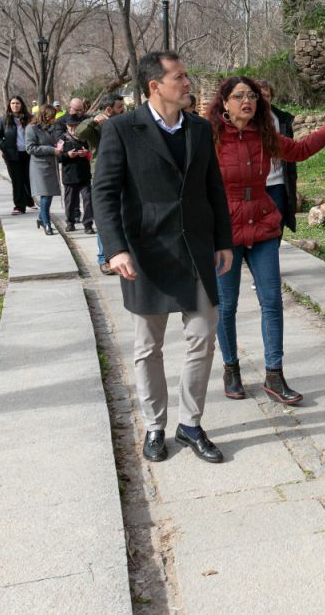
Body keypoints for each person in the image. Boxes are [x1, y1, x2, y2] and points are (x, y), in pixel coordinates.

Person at [93, 51, 233, 464]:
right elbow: (103, 193)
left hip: (195, 249)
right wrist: (115, 248)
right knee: (147, 345)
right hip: (146, 252)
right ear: (155, 86)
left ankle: (191, 424)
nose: (188, 84)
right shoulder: (121, 129)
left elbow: (214, 188)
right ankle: (155, 426)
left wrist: (223, 240)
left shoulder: (199, 129)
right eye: (180, 77)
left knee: (204, 334)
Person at [206, 77, 325, 403]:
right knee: (227, 305)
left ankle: (274, 375)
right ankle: (231, 369)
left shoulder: (265, 136)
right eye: (239, 96)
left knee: (272, 301)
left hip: (262, 225)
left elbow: (300, 151)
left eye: (251, 96)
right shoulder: (209, 138)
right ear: (224, 103)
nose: (247, 101)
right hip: (225, 231)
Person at [76, 93, 126, 274]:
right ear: (108, 109)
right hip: (101, 174)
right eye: (120, 107)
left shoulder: (124, 121)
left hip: (124, 172)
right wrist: (95, 122)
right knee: (107, 215)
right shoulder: (96, 122)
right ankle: (103, 258)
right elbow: (79, 133)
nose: (123, 110)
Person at [256, 79, 300, 231]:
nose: (264, 99)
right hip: (255, 183)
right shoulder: (245, 120)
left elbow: (293, 149)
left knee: (278, 220)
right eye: (260, 95)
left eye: (267, 96)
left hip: (278, 181)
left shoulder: (281, 120)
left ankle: (272, 249)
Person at [0, 96, 35, 215]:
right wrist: (5, 147)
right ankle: (19, 206)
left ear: (21, 104)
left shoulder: (30, 118)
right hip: (12, 155)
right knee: (17, 180)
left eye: (17, 103)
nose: (15, 105)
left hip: (28, 154)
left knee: (28, 179)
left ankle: (29, 201)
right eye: (12, 103)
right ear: (9, 105)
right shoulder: (4, 120)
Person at [26, 104, 62, 235]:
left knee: (49, 194)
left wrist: (59, 145)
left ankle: (41, 218)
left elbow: (54, 140)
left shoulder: (51, 128)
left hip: (51, 165)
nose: (54, 119)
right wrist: (51, 149)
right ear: (45, 116)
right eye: (52, 117)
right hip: (39, 166)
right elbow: (30, 148)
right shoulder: (31, 128)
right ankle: (47, 223)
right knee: (45, 195)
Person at [56, 111, 93, 233]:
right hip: (69, 176)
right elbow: (58, 157)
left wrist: (86, 153)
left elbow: (92, 153)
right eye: (70, 125)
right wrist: (67, 155)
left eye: (75, 125)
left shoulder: (86, 138)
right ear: (67, 126)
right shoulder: (62, 139)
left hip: (84, 175)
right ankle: (70, 222)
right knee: (70, 202)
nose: (73, 128)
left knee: (88, 199)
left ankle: (88, 224)